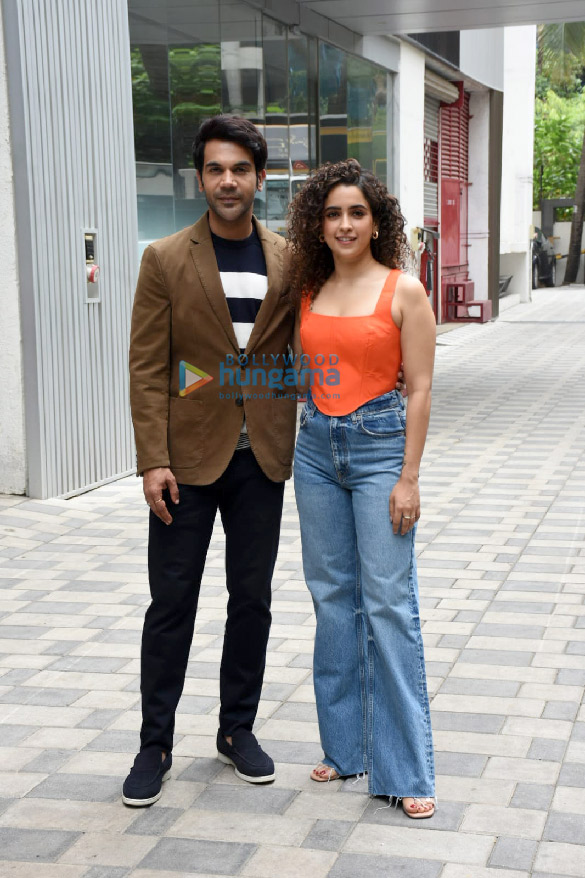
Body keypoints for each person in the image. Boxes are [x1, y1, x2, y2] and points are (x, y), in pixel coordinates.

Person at [124, 115, 298, 806]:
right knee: (172, 604)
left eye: (240, 169)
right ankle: (154, 743)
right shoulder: (165, 258)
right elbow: (147, 366)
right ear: (200, 177)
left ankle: (236, 731)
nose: (228, 181)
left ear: (258, 177)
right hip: (185, 463)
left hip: (261, 458)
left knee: (250, 602)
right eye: (215, 169)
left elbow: (296, 351)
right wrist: (150, 459)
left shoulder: (287, 258)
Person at [288, 159, 437, 818]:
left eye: (356, 212)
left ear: (376, 222)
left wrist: (408, 478)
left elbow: (422, 388)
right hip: (315, 450)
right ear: (317, 226)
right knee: (330, 599)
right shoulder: (308, 290)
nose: (344, 224)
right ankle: (344, 749)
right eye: (332, 214)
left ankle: (406, 770)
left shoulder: (403, 290)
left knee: (387, 605)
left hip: (380, 451)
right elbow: (302, 372)